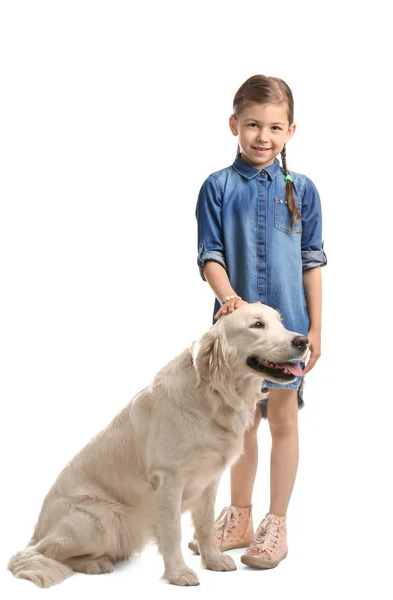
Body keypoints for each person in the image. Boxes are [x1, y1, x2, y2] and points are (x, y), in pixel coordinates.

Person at [190, 74, 327, 569]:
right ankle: (240, 516)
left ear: (291, 130)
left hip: (288, 330)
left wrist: (316, 327)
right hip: (239, 338)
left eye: (274, 127)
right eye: (252, 125)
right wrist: (229, 300)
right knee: (241, 424)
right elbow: (211, 256)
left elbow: (312, 260)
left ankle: (276, 525)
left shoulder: (303, 190)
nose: (262, 137)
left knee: (283, 422)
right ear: (234, 125)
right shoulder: (217, 187)